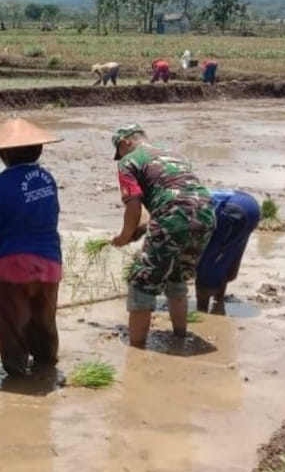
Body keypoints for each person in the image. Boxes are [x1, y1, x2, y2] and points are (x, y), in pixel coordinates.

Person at [0, 117, 63, 377]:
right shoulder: (47, 178)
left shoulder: (1, 183)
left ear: (4, 153)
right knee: (44, 322)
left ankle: (17, 378)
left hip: (15, 266)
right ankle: (46, 371)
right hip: (50, 264)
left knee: (10, 323)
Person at [109, 124, 215, 348]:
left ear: (126, 142)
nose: (120, 156)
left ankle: (136, 352)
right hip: (206, 217)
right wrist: (144, 228)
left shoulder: (129, 161)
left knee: (141, 284)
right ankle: (180, 337)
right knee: (176, 277)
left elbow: (134, 205)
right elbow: (182, 197)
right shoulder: (175, 155)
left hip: (172, 218)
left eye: (120, 150)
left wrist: (124, 236)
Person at [195, 190, 260, 313]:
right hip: (251, 206)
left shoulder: (181, 211)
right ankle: (218, 301)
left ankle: (201, 312)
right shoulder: (194, 195)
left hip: (233, 211)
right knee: (230, 254)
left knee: (206, 261)